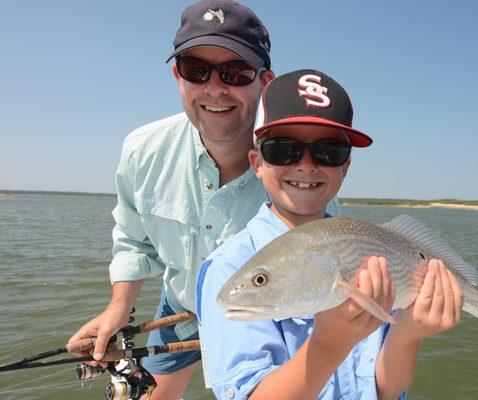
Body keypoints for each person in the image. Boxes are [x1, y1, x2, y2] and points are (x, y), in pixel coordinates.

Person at [68, 1, 338, 399]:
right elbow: (132, 236)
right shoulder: (142, 151)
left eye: (236, 72)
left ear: (266, 81)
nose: (215, 87)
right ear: (179, 77)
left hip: (265, 319)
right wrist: (119, 308)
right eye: (197, 70)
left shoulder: (297, 172)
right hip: (179, 305)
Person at [198, 69, 464, 400]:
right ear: (257, 163)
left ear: (346, 167)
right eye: (283, 149)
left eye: (328, 151)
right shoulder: (229, 267)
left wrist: (409, 333)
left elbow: (382, 389)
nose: (306, 165)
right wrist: (328, 344)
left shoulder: (369, 253)